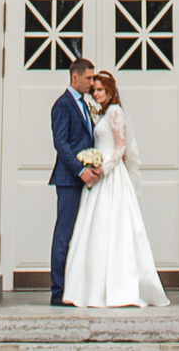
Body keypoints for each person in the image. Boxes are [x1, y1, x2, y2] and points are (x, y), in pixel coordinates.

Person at [60, 70, 169, 308]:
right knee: (94, 230)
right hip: (97, 177)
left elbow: (121, 147)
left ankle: (119, 287)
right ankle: (90, 288)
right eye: (94, 89)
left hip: (110, 176)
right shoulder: (101, 113)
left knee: (115, 228)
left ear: (110, 91)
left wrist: (104, 168)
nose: (96, 93)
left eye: (100, 89)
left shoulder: (116, 112)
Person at [48, 56, 102, 305]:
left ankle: (78, 288)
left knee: (83, 234)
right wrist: (81, 170)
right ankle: (58, 292)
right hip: (70, 179)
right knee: (64, 234)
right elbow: (61, 143)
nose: (92, 83)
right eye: (89, 78)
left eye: (93, 78)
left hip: (88, 178)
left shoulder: (86, 103)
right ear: (75, 77)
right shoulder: (63, 104)